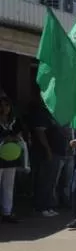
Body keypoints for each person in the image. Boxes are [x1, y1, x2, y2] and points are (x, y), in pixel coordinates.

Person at [29, 99, 68, 218]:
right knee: (44, 180)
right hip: (47, 153)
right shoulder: (41, 114)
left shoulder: (54, 114)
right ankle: (41, 207)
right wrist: (48, 150)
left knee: (51, 181)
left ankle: (48, 205)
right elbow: (40, 133)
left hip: (58, 152)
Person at [0, 95, 25, 223]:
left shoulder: (15, 121)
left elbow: (20, 136)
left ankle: (7, 212)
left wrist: (15, 138)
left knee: (8, 186)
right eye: (2, 105)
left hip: (11, 158)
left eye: (7, 105)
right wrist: (4, 140)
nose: (4, 108)